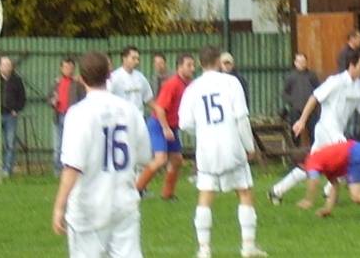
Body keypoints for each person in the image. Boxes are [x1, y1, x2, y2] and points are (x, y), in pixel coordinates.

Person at [51, 50, 152, 258]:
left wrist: (59, 206)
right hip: (123, 203)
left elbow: (72, 165)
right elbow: (145, 157)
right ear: (109, 75)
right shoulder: (130, 110)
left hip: (88, 207)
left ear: (81, 79)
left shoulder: (78, 113)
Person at [268, 51, 360, 205]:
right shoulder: (336, 81)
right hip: (326, 127)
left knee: (311, 164)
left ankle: (277, 190)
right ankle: (328, 191)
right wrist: (302, 121)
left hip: (336, 130)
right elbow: (314, 97)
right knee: (347, 155)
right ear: (351, 66)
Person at [178, 45, 267, 258]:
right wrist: (249, 147)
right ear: (218, 61)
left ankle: (204, 250)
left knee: (206, 195)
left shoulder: (193, 88)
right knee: (244, 191)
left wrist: (202, 129)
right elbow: (241, 118)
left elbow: (184, 123)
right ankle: (248, 246)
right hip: (231, 144)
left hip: (207, 149)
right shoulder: (231, 82)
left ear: (200, 64)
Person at [136, 53, 195, 200]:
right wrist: (166, 128)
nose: (192, 69)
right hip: (159, 124)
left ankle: (167, 194)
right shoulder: (172, 83)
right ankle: (136, 190)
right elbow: (160, 108)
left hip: (171, 127)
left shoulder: (189, 84)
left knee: (176, 160)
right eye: (189, 65)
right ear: (179, 67)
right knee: (161, 159)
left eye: (193, 65)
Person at [0, 56, 27, 177]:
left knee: (10, 143)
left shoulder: (17, 80)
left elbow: (22, 98)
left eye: (9, 65)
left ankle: (7, 170)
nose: (7, 67)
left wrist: (17, 109)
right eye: (5, 65)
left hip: (10, 116)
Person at [49, 58, 85, 177]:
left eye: (70, 67)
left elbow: (83, 99)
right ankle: (57, 171)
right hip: (58, 115)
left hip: (72, 117)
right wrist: (52, 101)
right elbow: (49, 97)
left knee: (72, 145)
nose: (68, 70)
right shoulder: (56, 82)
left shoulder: (78, 83)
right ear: (61, 68)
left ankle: (71, 170)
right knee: (58, 145)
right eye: (66, 67)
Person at [280, 53, 320, 146]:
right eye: (299, 62)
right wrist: (293, 101)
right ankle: (296, 157)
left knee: (313, 134)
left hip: (311, 110)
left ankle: (313, 155)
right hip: (295, 110)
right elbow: (284, 93)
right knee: (295, 134)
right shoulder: (291, 76)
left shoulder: (312, 75)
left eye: (304, 61)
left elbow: (318, 90)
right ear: (295, 63)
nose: (302, 64)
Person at [109, 46, 154, 115]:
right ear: (124, 58)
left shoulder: (141, 77)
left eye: (138, 59)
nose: (137, 61)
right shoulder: (114, 78)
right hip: (121, 119)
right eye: (133, 58)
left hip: (139, 118)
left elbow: (148, 99)